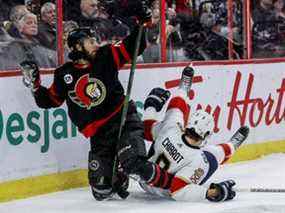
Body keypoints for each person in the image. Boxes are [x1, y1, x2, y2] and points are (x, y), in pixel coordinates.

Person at [19, 2, 175, 201]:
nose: (95, 44)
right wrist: (34, 85)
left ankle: (173, 184)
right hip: (99, 134)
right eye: (89, 41)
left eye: (94, 40)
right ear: (77, 47)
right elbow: (49, 100)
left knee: (134, 163)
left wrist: (142, 24)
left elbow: (135, 45)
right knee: (101, 191)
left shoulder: (106, 55)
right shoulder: (64, 74)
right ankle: (118, 172)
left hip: (123, 120)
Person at [140, 66, 250, 202]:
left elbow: (146, 129)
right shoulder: (199, 160)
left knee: (175, 113)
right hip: (162, 192)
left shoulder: (172, 128)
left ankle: (184, 88)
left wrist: (151, 107)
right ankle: (232, 146)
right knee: (213, 155)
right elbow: (178, 190)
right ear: (206, 136)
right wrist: (214, 192)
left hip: (143, 179)